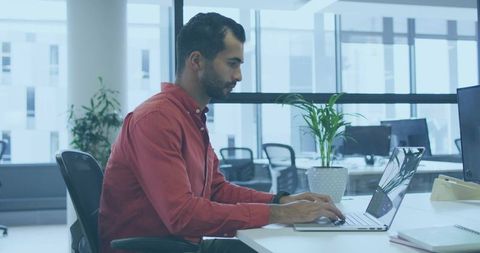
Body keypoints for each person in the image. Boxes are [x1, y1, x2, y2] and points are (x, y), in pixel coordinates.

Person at [99, 12, 344, 253]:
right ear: (196, 61)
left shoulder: (191, 117)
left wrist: (280, 201)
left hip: (178, 245)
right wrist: (280, 214)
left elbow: (216, 190)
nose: (239, 76)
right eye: (232, 63)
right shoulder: (156, 120)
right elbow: (181, 215)